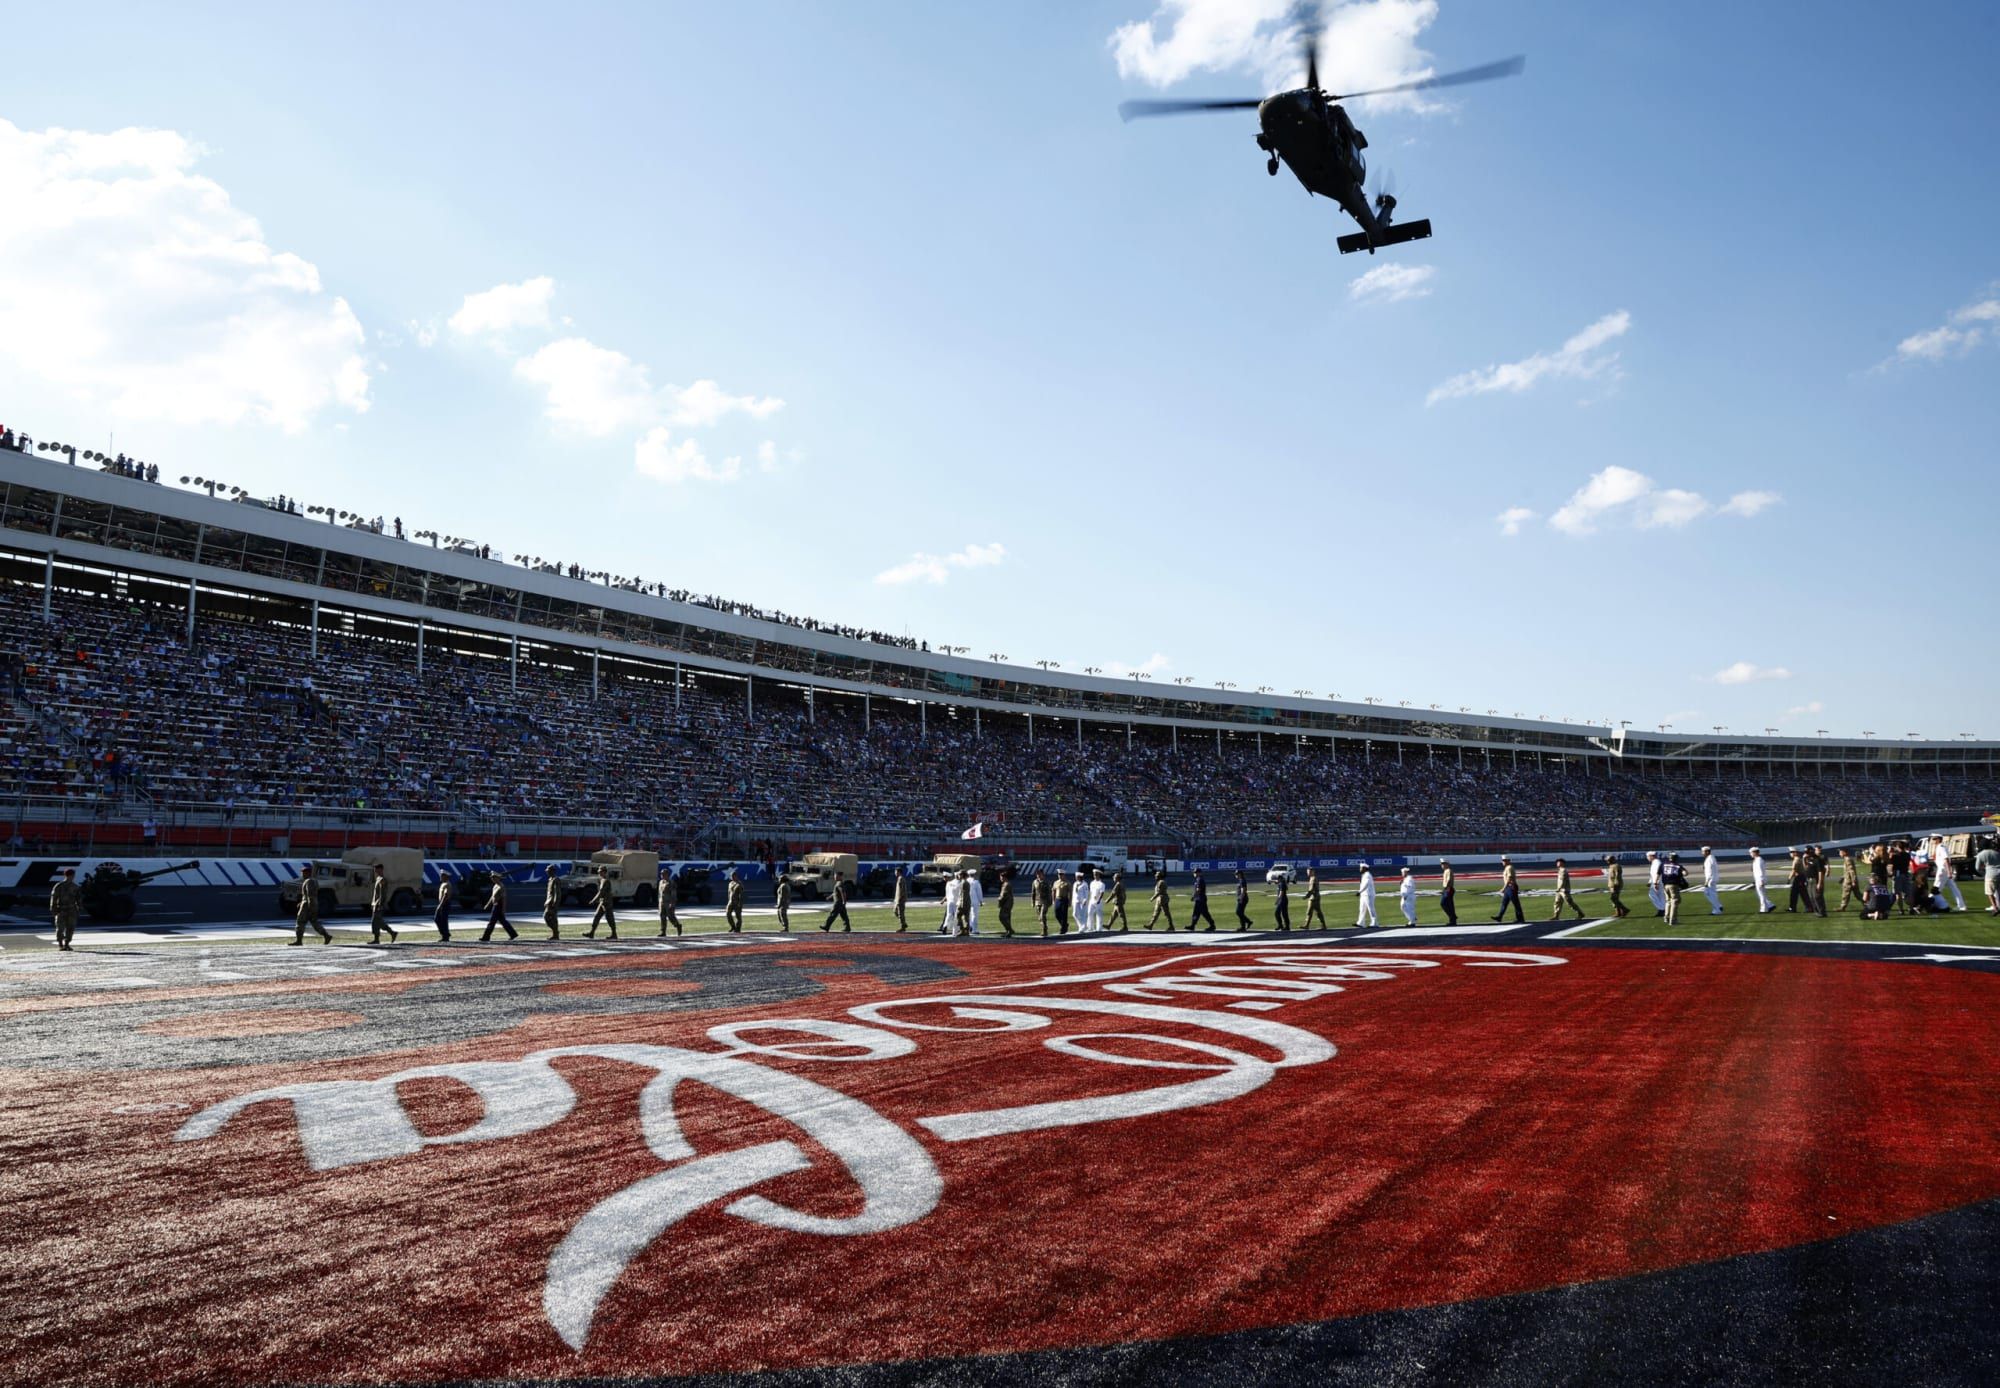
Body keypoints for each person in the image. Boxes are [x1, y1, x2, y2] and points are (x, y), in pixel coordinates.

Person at [292, 865, 332, 946]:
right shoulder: (314, 880)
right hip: (311, 903)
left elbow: (310, 895)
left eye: (304, 873)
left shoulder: (309, 881)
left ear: (308, 873)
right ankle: (326, 936)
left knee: (300, 922)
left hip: (307, 905)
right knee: (314, 922)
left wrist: (310, 906)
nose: (302, 874)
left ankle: (299, 941)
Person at [49, 867, 82, 952]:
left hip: (71, 909)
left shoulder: (75, 887)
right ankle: (61, 944)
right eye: (70, 875)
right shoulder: (59, 886)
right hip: (61, 909)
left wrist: (79, 908)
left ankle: (67, 944)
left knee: (70, 928)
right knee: (60, 928)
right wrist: (53, 908)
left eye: (71, 875)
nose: (71, 877)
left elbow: (78, 898)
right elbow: (54, 897)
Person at [481, 871, 517, 942]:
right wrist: (488, 904)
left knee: (492, 922)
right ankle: (513, 934)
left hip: (498, 906)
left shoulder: (501, 887)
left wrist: (503, 909)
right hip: (495, 905)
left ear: (498, 878)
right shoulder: (495, 886)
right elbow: (492, 897)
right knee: (503, 921)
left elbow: (504, 899)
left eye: (494, 877)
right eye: (492, 878)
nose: (492, 879)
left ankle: (486, 937)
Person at [1932, 836, 1966, 912]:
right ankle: (1961, 906)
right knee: (1954, 888)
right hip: (1943, 869)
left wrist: (1949, 871)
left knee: (1936, 889)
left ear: (1938, 839)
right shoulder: (1939, 847)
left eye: (1934, 839)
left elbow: (1946, 859)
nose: (1932, 840)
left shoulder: (1941, 847)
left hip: (1943, 870)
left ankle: (1929, 904)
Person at [369, 863, 399, 944]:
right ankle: (392, 933)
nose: (375, 871)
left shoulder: (383, 879)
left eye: (376, 869)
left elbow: (383, 893)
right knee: (378, 921)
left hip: (379, 904)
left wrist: (380, 904)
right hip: (375, 903)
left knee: (375, 921)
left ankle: (378, 938)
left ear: (381, 869)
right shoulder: (378, 878)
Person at [589, 868, 620, 939]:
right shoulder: (601, 880)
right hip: (602, 902)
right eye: (599, 872)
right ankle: (591, 933)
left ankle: (614, 934)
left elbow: (601, 892)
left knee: (609, 918)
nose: (599, 873)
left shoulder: (606, 881)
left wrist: (593, 900)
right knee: (596, 916)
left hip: (607, 902)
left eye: (601, 872)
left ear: (605, 872)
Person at [1492, 856, 1524, 923]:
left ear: (1508, 861)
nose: (1503, 862)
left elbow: (1509, 878)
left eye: (1504, 860)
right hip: (1509, 888)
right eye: (1503, 860)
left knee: (1516, 903)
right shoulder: (1507, 868)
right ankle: (1499, 917)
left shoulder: (1509, 868)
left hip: (1511, 887)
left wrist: (1504, 887)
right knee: (1504, 903)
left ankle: (1520, 918)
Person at [1661, 852, 1689, 926]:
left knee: (1668, 901)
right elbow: (1685, 873)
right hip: (1674, 885)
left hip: (1665, 885)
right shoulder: (1678, 866)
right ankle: (1673, 919)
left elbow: (1659, 873)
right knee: (1675, 902)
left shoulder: (1663, 864)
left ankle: (1666, 917)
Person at [1889, 839, 1913, 915]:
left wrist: (1890, 853)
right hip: (1905, 874)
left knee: (1897, 893)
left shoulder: (1895, 856)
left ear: (1898, 847)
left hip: (1897, 874)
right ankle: (1911, 908)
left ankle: (1901, 909)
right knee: (1908, 892)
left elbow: (1890, 862)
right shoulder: (1907, 855)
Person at [1976, 837, 2000, 916]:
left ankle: (1995, 907)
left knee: (1989, 892)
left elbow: (1977, 868)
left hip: (1990, 874)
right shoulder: (1996, 852)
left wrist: (1983, 873)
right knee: (1998, 892)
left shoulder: (1981, 854)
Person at [1835, 848, 1862, 913]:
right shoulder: (1847, 859)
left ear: (1845, 852)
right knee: (1858, 895)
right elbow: (1847, 871)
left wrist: (1853, 881)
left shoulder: (1847, 859)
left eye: (1840, 852)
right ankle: (1867, 903)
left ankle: (1842, 907)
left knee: (1846, 894)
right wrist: (1842, 877)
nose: (1839, 853)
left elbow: (1851, 871)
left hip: (1849, 881)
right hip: (1849, 880)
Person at [1749, 847, 1774, 913]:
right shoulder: (1756, 860)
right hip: (1758, 879)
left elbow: (1760, 871)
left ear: (1755, 853)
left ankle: (1764, 909)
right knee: (1761, 894)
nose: (1750, 854)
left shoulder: (1759, 860)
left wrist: (1761, 880)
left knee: (1761, 895)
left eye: (1751, 852)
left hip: (1760, 879)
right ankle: (1770, 905)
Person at [1699, 847, 1724, 915]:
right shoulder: (1710, 858)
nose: (1702, 853)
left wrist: (1707, 881)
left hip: (1710, 879)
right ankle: (1718, 906)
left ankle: (1717, 909)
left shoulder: (1709, 859)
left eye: (1703, 852)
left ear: (1707, 852)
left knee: (1709, 894)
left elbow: (1709, 871)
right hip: (1712, 878)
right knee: (1711, 894)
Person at [657, 868, 680, 937]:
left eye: (663, 874)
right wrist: (659, 902)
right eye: (661, 874)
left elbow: (673, 894)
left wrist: (672, 903)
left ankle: (677, 925)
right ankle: (663, 931)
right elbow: (660, 893)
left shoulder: (671, 883)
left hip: (668, 902)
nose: (662, 875)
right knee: (662, 917)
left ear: (667, 875)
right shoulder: (661, 882)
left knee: (671, 917)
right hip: (662, 902)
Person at [1603, 854, 1628, 918]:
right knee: (1615, 899)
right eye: (1607, 860)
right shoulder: (1611, 866)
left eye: (1609, 860)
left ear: (1612, 860)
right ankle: (1618, 912)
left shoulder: (1616, 866)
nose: (1607, 861)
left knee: (1613, 899)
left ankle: (1624, 909)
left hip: (1615, 884)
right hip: (1612, 884)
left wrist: (1615, 884)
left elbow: (1618, 875)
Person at [1786, 849, 1811, 913]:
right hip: (1800, 878)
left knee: (1800, 893)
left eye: (1791, 852)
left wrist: (1789, 879)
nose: (1790, 854)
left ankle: (1807, 907)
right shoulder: (1797, 859)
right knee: (1799, 893)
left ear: (1795, 853)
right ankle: (1793, 907)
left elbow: (1794, 870)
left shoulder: (1796, 860)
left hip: (1799, 878)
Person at [1085, 867, 1108, 934]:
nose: (1094, 875)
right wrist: (1089, 899)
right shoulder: (1092, 883)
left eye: (1096, 874)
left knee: (1099, 914)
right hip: (1092, 900)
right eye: (1094, 874)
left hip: (1098, 901)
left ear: (1098, 875)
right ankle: (1090, 927)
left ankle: (1099, 928)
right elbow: (1091, 892)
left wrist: (1099, 900)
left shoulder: (1102, 884)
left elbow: (1102, 893)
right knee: (1089, 913)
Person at [544, 866, 564, 940]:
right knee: (553, 918)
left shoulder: (556, 880)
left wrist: (555, 903)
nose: (547, 872)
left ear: (552, 871)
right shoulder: (550, 879)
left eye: (548, 871)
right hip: (549, 902)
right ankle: (555, 934)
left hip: (552, 902)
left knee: (547, 917)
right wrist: (546, 901)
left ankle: (556, 933)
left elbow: (557, 893)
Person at [1356, 863, 1378, 928]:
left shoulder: (1367, 875)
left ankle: (1374, 923)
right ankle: (1361, 922)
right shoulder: (1364, 875)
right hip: (1364, 894)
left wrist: (1359, 891)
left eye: (1361, 868)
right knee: (1362, 909)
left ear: (1364, 868)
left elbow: (1366, 884)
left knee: (1371, 909)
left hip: (1368, 894)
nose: (1360, 869)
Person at [433, 874, 455, 941]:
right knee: (439, 919)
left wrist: (440, 905)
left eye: (442, 876)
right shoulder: (443, 883)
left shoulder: (447, 884)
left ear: (446, 877)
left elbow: (445, 896)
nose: (440, 877)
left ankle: (445, 935)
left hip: (444, 904)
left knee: (442, 920)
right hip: (442, 903)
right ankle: (445, 934)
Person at [995, 867, 1016, 936]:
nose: (1000, 878)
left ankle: (1010, 930)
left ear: (1004, 877)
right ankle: (1008, 931)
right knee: (1007, 918)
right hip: (1008, 903)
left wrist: (999, 900)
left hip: (1006, 904)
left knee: (1002, 917)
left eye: (1001, 877)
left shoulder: (1006, 885)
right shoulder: (1006, 884)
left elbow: (1004, 895)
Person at [1032, 868, 1052, 936]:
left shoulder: (1046, 882)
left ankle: (1044, 930)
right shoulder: (1035, 882)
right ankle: (1044, 928)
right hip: (1038, 901)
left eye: (1039, 874)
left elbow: (1049, 892)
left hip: (1045, 901)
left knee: (1042, 915)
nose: (1038, 875)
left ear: (1042, 874)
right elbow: (1033, 892)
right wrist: (1033, 902)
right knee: (1040, 917)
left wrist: (1050, 901)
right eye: (1037, 874)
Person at [1645, 852, 1666, 917]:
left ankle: (1661, 909)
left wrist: (1655, 883)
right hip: (1658, 882)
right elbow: (1653, 874)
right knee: (1661, 896)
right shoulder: (1656, 862)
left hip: (1657, 882)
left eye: (1648, 856)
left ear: (1651, 856)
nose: (1647, 858)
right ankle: (1663, 909)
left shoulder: (1656, 863)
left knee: (1652, 895)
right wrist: (1650, 881)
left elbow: (1657, 873)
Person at [965, 868, 985, 936]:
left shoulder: (965, 881)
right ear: (974, 874)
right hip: (974, 900)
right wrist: (981, 901)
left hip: (967, 900)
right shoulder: (976, 882)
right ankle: (974, 929)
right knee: (974, 915)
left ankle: (969, 926)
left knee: (968, 915)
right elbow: (979, 892)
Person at [1438, 859, 1458, 925]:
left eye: (1443, 864)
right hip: (1447, 889)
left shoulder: (1448, 870)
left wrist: (1447, 888)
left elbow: (1449, 880)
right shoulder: (1446, 871)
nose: (1442, 865)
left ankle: (1453, 917)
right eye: (1441, 864)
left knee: (1443, 903)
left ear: (1447, 864)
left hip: (1448, 888)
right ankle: (1452, 920)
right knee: (1450, 905)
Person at [1052, 870, 1071, 934]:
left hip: (1064, 899)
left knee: (1064, 915)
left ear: (1064, 875)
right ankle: (1065, 925)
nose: (1060, 876)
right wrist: (1053, 900)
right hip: (1057, 899)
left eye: (1061, 874)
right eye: (1059, 874)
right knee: (1057, 914)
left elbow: (1070, 892)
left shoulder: (1067, 882)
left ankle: (1063, 929)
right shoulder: (1055, 882)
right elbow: (1053, 891)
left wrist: (1069, 901)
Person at [893, 867, 910, 933]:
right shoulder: (899, 879)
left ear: (899, 872)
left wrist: (900, 898)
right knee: (895, 911)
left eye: (896, 872)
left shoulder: (901, 879)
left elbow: (901, 890)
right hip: (898, 899)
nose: (895, 873)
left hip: (900, 899)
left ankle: (902, 926)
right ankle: (904, 924)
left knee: (900, 913)